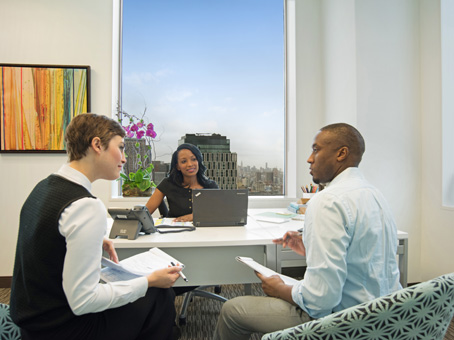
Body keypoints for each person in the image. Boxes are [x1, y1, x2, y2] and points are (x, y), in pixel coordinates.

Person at [213, 123, 402, 340]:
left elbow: (321, 300)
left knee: (232, 311)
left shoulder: (328, 200)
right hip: (388, 316)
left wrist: (280, 289)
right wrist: (312, 246)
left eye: (316, 149)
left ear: (341, 153)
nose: (309, 159)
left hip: (346, 322)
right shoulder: (374, 194)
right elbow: (365, 255)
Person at [10, 113, 182, 340]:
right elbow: (84, 301)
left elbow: (44, 241)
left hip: (32, 324)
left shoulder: (44, 188)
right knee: (160, 295)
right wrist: (148, 281)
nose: (123, 158)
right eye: (120, 147)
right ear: (97, 145)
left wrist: (91, 240)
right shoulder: (86, 207)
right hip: (63, 330)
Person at [146, 143, 218, 222]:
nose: (190, 164)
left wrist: (195, 216)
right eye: (184, 161)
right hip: (174, 230)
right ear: (178, 166)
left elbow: (221, 212)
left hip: (205, 232)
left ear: (198, 161)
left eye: (193, 159)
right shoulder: (168, 183)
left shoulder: (211, 186)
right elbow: (146, 213)